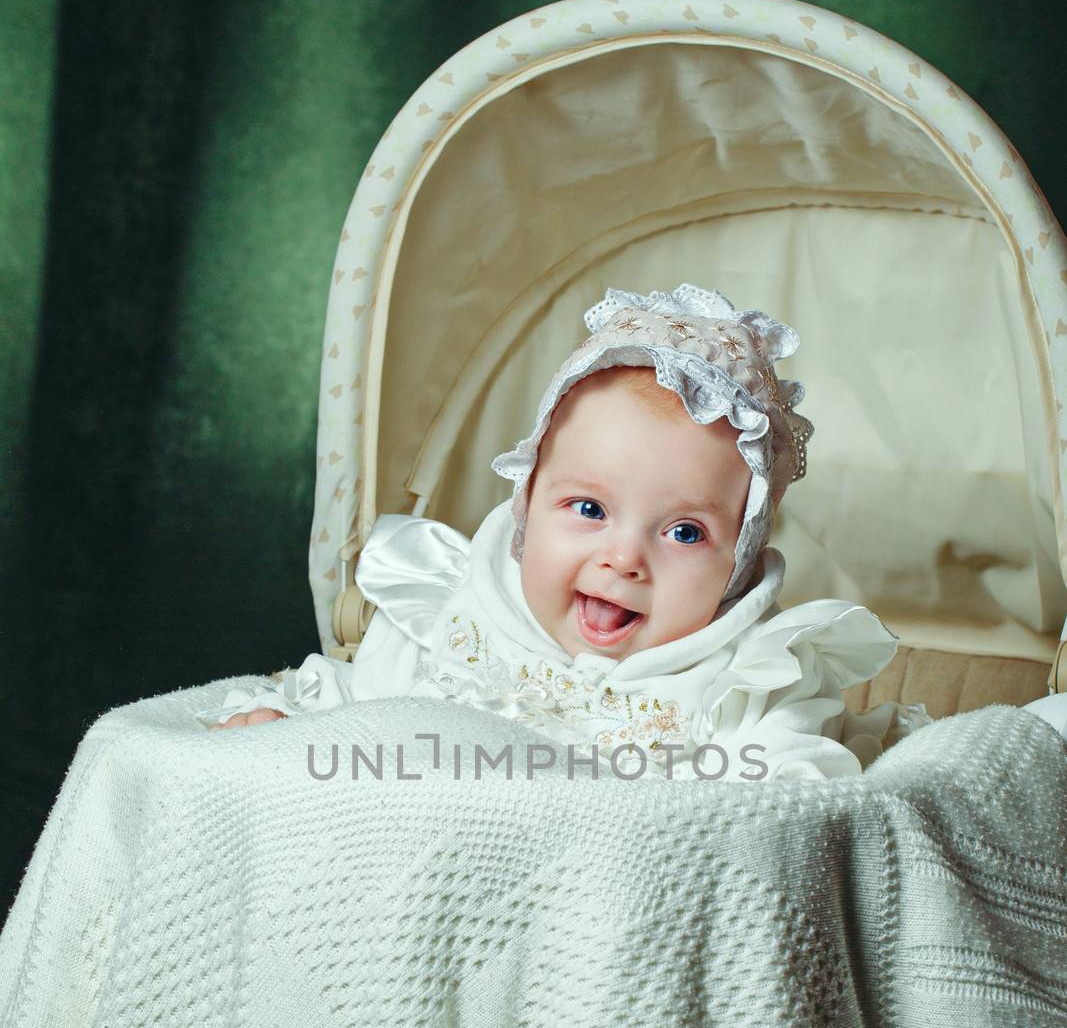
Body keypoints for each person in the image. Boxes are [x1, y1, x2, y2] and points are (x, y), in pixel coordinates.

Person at [197, 282, 936, 780]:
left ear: (737, 564)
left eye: (682, 532)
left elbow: (791, 791)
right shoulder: (451, 617)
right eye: (587, 510)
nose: (621, 557)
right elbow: (356, 714)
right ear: (525, 504)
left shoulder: (750, 681)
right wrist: (283, 725)